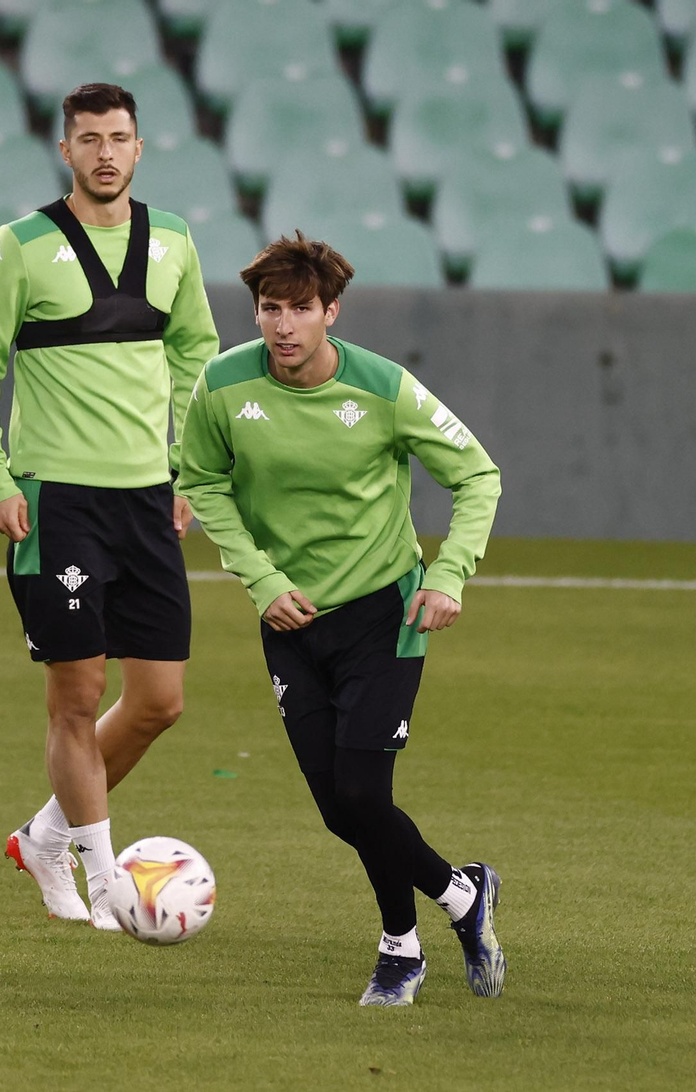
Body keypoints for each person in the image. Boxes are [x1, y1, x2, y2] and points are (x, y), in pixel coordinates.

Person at [176, 233, 504, 1005]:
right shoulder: (221, 386)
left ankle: (401, 950)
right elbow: (201, 482)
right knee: (339, 810)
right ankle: (464, 895)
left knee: (362, 792)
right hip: (289, 621)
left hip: (383, 613)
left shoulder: (385, 388)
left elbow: (477, 474)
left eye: (299, 309)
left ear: (332, 312)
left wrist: (449, 574)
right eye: (268, 309)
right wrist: (261, 579)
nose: (283, 325)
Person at [0, 83, 220, 929]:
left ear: (140, 149)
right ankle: (106, 881)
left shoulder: (174, 239)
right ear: (65, 151)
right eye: (90, 139)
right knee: (77, 695)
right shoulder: (21, 246)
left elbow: (198, 359)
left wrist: (189, 471)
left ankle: (44, 836)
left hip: (147, 500)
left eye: (120, 138)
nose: (106, 152)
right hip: (55, 501)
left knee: (159, 702)